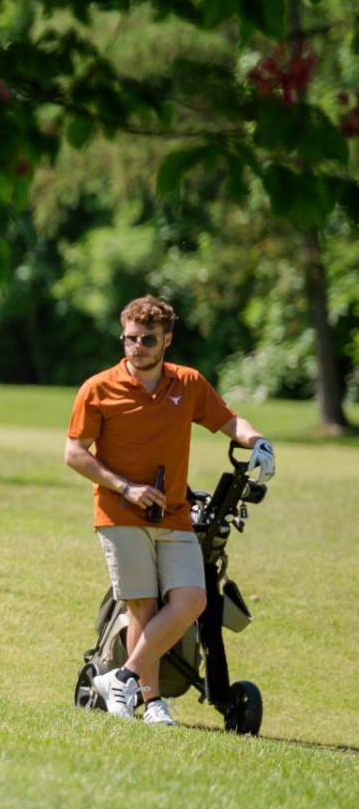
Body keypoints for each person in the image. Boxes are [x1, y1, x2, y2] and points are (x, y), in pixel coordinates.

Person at [63, 295, 276, 726]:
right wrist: (127, 487)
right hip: (119, 513)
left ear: (166, 341)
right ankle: (152, 702)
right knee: (142, 606)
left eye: (147, 339)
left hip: (174, 514)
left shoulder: (189, 383)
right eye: (129, 338)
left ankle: (121, 677)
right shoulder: (98, 388)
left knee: (192, 600)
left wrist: (258, 441)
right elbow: (74, 453)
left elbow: (229, 422)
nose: (136, 346)